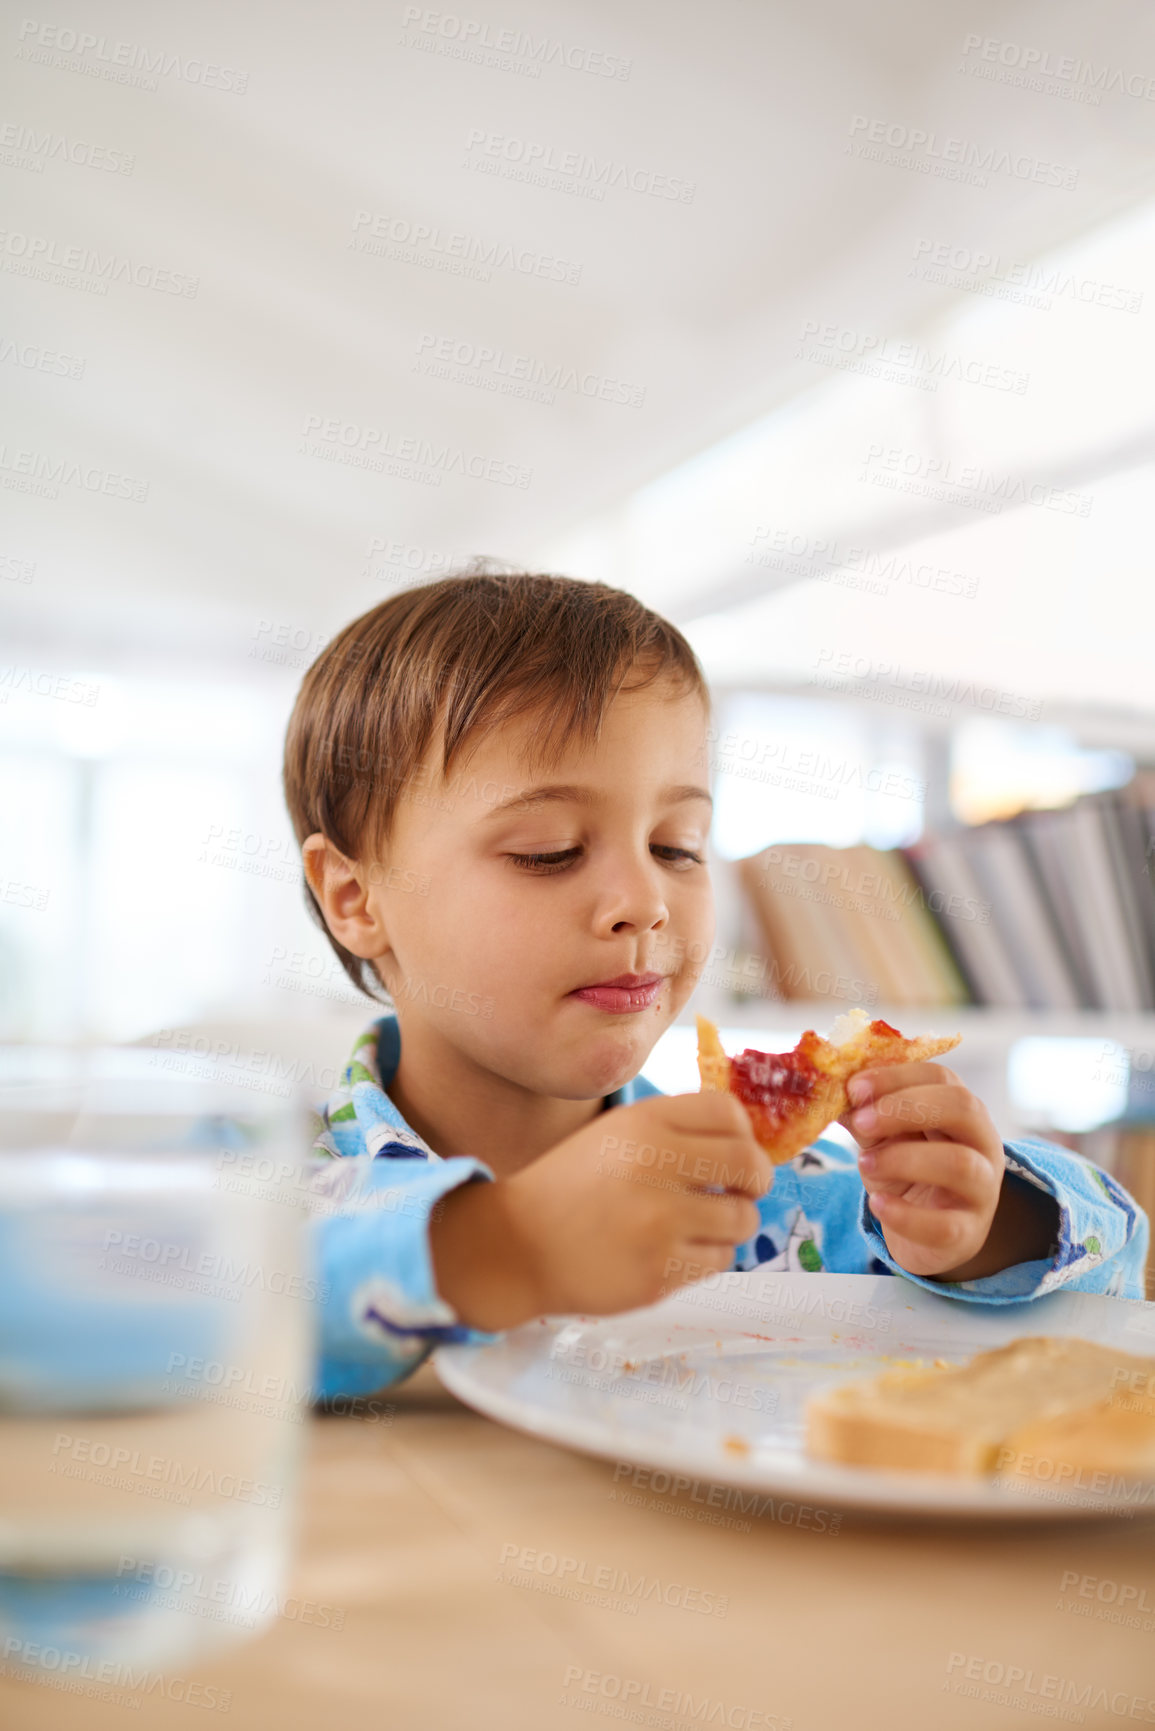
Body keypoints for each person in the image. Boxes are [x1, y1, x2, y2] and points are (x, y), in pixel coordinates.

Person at [282, 569, 1148, 1398]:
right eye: (546, 850)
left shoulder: (778, 1208)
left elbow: (1117, 1266)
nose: (644, 902)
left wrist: (990, 1223)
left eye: (677, 846)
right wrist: (504, 1245)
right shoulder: (278, 1192)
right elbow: (196, 1321)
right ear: (356, 898)